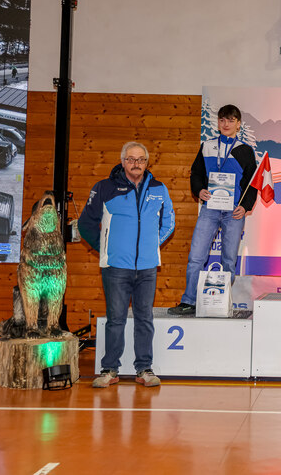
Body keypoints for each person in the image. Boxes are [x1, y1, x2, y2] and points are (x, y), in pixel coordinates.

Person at [78, 141, 175, 387]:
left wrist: (152, 245)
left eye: (141, 159)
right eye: (131, 159)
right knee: (116, 319)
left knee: (145, 318)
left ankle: (144, 369)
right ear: (122, 162)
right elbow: (85, 224)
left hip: (147, 267)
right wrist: (105, 248)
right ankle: (109, 369)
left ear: (146, 163)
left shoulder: (159, 188)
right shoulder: (105, 188)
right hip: (116, 267)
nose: (136, 164)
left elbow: (168, 223)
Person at [168, 104, 257, 316]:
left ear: (238, 124)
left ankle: (221, 301)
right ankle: (189, 301)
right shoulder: (207, 146)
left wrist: (245, 206)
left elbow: (252, 183)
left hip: (233, 211)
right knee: (196, 257)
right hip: (210, 209)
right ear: (218, 123)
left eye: (231, 120)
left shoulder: (245, 150)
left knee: (228, 260)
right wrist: (199, 190)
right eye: (222, 120)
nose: (226, 124)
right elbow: (196, 174)